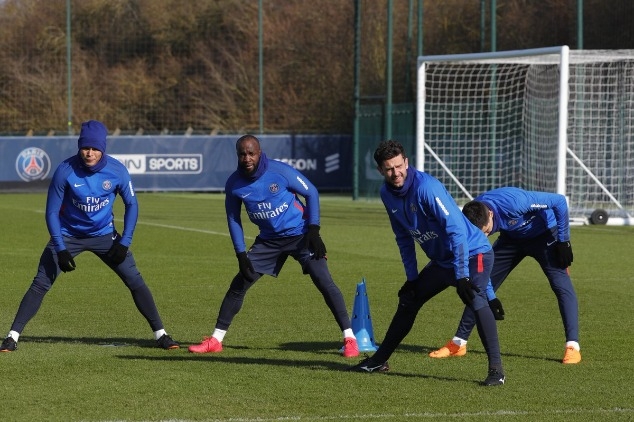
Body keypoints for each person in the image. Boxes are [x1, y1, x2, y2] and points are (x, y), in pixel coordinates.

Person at [0, 120, 179, 352]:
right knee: (40, 283)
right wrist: (60, 247)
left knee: (135, 280)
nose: (89, 153)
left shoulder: (117, 171)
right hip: (68, 235)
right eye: (85, 147)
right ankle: (12, 336)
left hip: (105, 236)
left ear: (102, 148)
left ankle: (161, 335)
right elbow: (51, 212)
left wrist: (124, 242)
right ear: (79, 147)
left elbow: (132, 204)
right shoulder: (65, 170)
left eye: (95, 148)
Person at [347, 140, 505, 386]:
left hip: (474, 254)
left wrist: (462, 275)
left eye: (399, 166)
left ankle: (497, 371)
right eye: (389, 169)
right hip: (442, 262)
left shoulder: (427, 188)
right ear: (380, 170)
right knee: (409, 300)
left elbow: (456, 232)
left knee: (475, 299)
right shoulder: (386, 194)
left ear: (406, 162)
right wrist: (412, 279)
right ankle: (378, 361)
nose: (396, 173)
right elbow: (403, 238)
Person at [188, 134, 359, 358]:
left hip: (300, 235)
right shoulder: (234, 184)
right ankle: (216, 340)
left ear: (259, 153)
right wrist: (241, 253)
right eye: (242, 154)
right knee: (239, 284)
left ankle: (350, 339)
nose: (247, 158)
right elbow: (233, 218)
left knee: (323, 280)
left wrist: (314, 230)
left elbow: (311, 192)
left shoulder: (280, 171)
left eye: (251, 153)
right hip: (268, 241)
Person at [429, 187, 581, 364]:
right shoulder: (473, 213)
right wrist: (491, 296)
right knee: (478, 283)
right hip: (511, 239)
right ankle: (458, 343)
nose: (485, 236)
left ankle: (572, 346)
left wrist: (564, 241)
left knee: (561, 285)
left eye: (487, 231)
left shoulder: (516, 202)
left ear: (491, 214)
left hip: (545, 234)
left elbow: (559, 201)